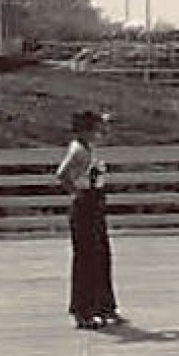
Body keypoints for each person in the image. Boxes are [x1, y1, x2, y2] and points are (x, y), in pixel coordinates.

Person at [56, 109, 120, 330]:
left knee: (101, 255)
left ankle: (104, 306)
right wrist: (77, 193)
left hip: (95, 202)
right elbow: (62, 174)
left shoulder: (90, 147)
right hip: (86, 204)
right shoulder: (79, 150)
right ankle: (83, 310)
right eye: (95, 127)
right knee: (86, 258)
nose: (100, 131)